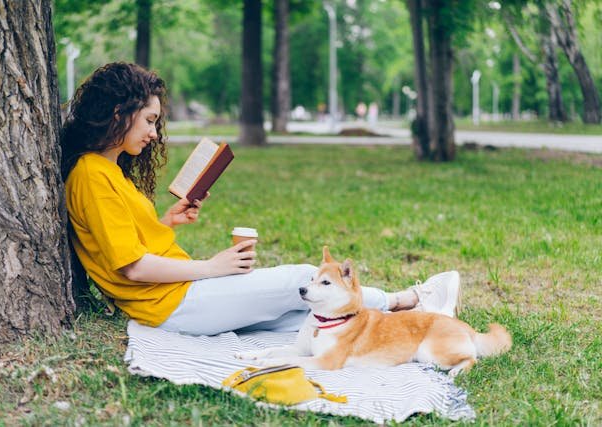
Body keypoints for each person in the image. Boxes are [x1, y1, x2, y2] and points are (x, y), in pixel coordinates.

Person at [61, 62, 461, 336]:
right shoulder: (92, 175)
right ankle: (408, 298)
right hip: (170, 303)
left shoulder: (107, 171)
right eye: (149, 120)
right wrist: (213, 267)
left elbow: (124, 243)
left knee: (300, 317)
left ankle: (418, 318)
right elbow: (131, 268)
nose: (153, 133)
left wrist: (167, 222)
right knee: (300, 281)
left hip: (174, 299)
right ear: (118, 112)